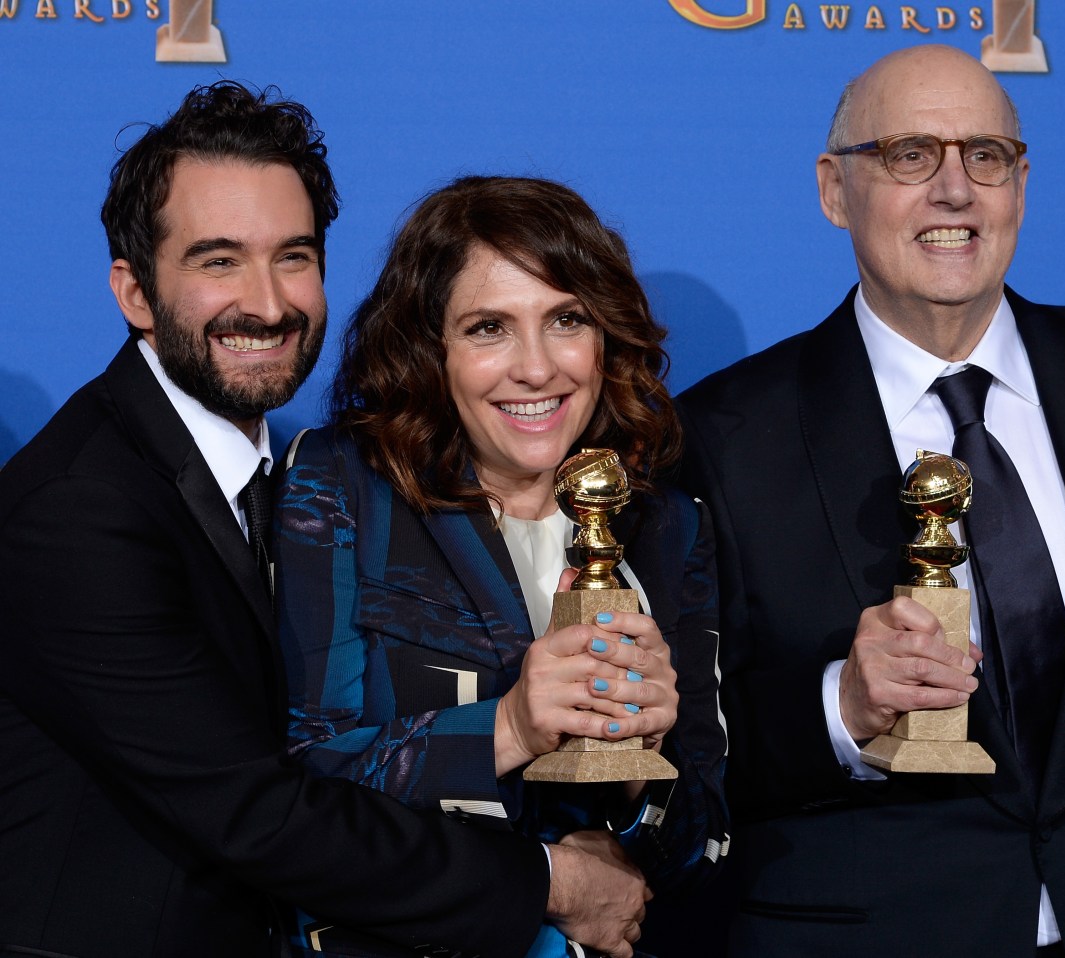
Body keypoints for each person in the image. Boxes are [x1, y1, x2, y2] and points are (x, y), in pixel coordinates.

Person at [0, 83, 644, 958]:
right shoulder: (77, 512)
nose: (268, 304)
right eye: (218, 261)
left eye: (293, 257)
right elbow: (258, 813)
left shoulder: (287, 476)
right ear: (136, 291)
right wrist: (551, 882)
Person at [674, 44, 1065, 957]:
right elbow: (676, 744)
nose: (955, 190)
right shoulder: (722, 436)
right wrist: (843, 707)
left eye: (985, 156)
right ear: (835, 190)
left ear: (1020, 186)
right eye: (911, 154)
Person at [272, 175, 728, 958]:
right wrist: (510, 726)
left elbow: (702, 846)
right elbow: (300, 782)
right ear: (429, 348)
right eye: (489, 328)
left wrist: (633, 772)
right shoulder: (346, 486)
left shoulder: (663, 524)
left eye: (566, 320)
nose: (537, 367)